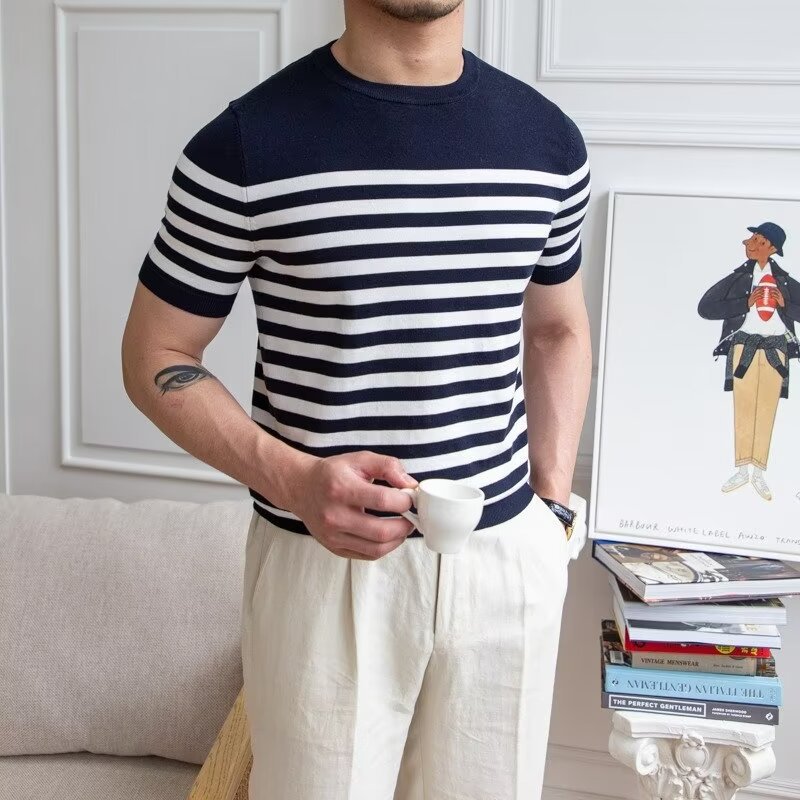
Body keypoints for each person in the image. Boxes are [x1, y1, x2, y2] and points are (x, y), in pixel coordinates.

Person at [121, 1, 592, 797]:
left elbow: (557, 331)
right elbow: (155, 354)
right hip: (321, 572)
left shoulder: (548, 142)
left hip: (507, 566)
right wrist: (294, 480)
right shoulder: (245, 146)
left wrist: (550, 513)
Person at [698, 223, 800, 501]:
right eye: (752, 238)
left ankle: (759, 473)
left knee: (767, 409)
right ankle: (743, 469)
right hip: (743, 346)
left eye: (758, 240)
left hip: (776, 349)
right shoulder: (739, 277)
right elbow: (705, 308)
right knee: (743, 408)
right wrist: (744, 304)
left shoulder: (785, 281)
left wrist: (785, 306)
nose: (749, 243)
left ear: (773, 248)